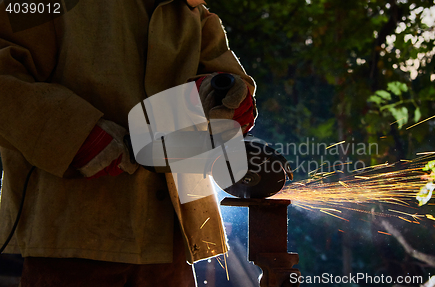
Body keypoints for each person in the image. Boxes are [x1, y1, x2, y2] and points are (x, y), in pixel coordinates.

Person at [0, 0, 256, 285]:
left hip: (170, 242)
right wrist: (73, 133)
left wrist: (222, 96)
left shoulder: (190, 11)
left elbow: (223, 78)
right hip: (71, 236)